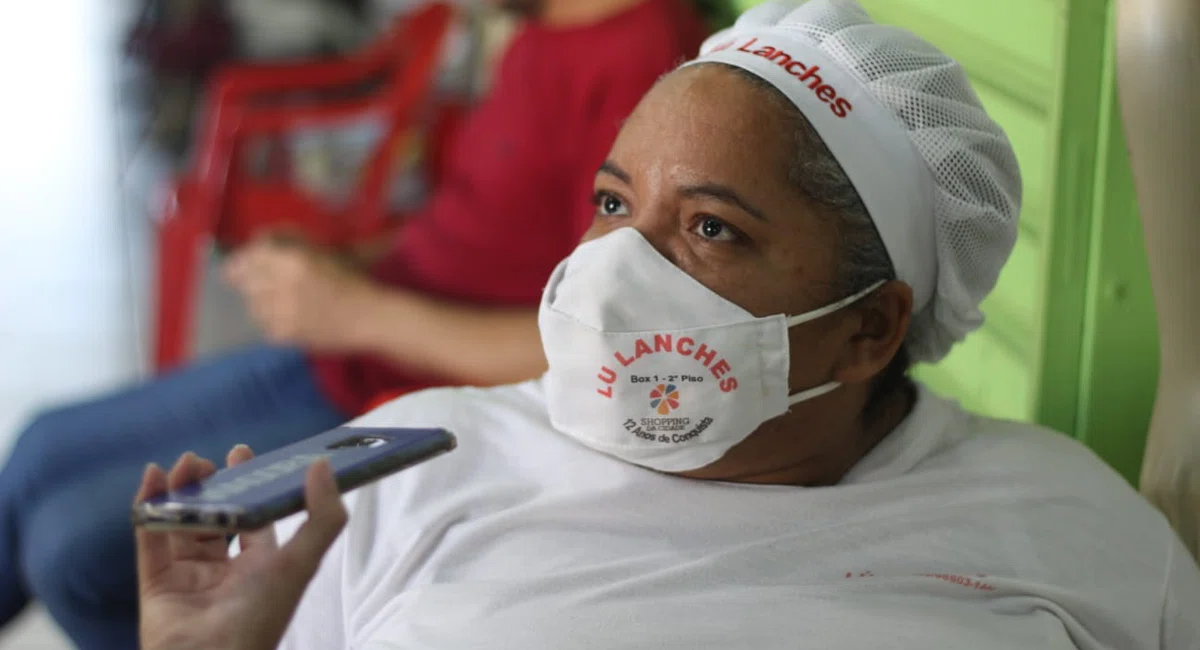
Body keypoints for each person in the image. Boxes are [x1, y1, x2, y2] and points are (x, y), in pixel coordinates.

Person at [135, 0, 1200, 647]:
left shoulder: (1072, 527)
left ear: (871, 327)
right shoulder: (407, 477)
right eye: (612, 203)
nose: (615, 269)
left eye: (710, 228)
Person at [0, 1, 708, 647]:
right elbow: (483, 233)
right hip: (349, 348)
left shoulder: (642, 62)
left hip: (409, 402)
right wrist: (342, 266)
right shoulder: (541, 32)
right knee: (38, 448)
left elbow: (607, 353)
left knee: (75, 552)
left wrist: (358, 311)